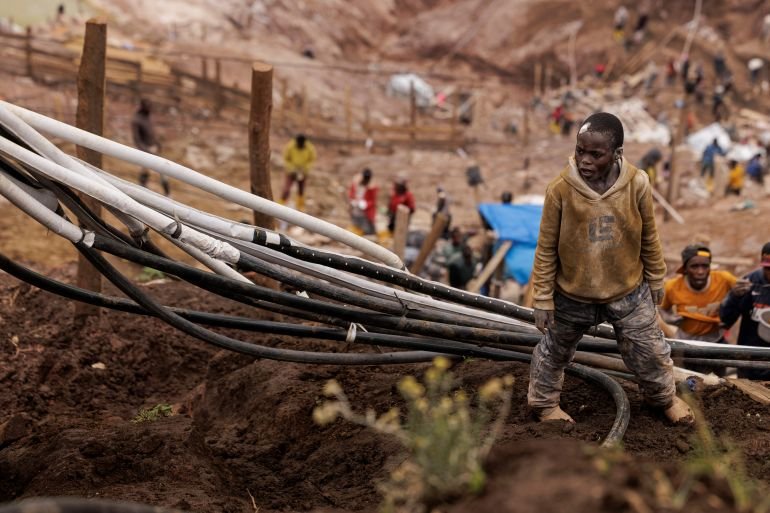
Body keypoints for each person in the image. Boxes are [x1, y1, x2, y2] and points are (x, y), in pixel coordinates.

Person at [528, 112, 692, 424]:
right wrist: (542, 298)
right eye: (580, 150)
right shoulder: (560, 189)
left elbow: (648, 235)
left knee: (651, 352)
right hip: (573, 293)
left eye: (595, 154)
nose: (585, 160)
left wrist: (657, 277)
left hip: (628, 290)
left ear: (617, 153)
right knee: (553, 352)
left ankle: (663, 399)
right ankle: (544, 405)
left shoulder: (637, 184)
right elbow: (546, 247)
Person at [659, 245, 741, 375]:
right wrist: (669, 319)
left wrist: (732, 310)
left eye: (705, 266)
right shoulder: (672, 287)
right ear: (685, 269)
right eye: (694, 266)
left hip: (716, 342)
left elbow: (743, 292)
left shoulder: (723, 279)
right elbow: (661, 309)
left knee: (718, 384)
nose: (700, 271)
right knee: (688, 384)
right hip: (685, 345)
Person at [720, 242, 770, 380]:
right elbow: (725, 320)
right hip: (750, 359)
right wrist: (734, 297)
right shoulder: (750, 282)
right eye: (769, 269)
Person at [132, 99, 170, 196]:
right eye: (148, 107)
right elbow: (137, 139)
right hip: (145, 150)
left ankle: (167, 193)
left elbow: (151, 133)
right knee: (146, 170)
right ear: (143, 107)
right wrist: (146, 151)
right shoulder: (136, 120)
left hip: (153, 148)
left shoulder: (148, 117)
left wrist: (157, 143)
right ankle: (142, 192)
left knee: (162, 170)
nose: (150, 109)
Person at [281, 134, 316, 212]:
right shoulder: (290, 146)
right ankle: (280, 204)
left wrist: (305, 168)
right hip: (291, 171)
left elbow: (312, 159)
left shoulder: (309, 148)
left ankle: (300, 207)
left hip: (303, 172)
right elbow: (286, 159)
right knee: (286, 189)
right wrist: (292, 168)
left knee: (301, 190)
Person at [348, 168, 378, 236]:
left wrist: (366, 204)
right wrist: (353, 201)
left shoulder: (372, 187)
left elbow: (373, 201)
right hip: (356, 209)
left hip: (365, 212)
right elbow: (351, 193)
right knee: (356, 225)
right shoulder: (356, 183)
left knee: (367, 230)